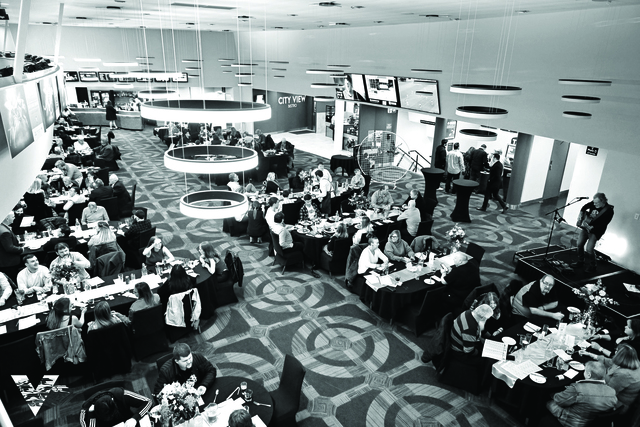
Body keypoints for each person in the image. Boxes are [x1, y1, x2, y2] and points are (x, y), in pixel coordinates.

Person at [545, 361, 618, 427]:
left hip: (572, 422)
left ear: (589, 375)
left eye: (585, 371)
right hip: (591, 422)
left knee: (546, 401)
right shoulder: (612, 392)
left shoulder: (577, 389)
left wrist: (553, 394)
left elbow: (559, 400)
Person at [581, 343, 640, 413]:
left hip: (616, 404)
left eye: (616, 351)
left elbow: (606, 392)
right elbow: (610, 362)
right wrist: (589, 354)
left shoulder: (623, 374)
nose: (615, 352)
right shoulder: (630, 362)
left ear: (620, 356)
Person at [571, 193, 614, 273]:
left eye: (596, 203)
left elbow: (604, 224)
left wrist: (592, 227)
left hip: (596, 231)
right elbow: (584, 207)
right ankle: (580, 261)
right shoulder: (593, 203)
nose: (594, 204)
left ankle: (593, 265)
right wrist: (580, 216)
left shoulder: (608, 210)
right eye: (594, 202)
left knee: (589, 249)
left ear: (602, 201)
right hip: (586, 228)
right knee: (579, 244)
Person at [80, 387, 152, 427]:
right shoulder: (86, 409)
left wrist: (134, 418)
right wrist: (91, 415)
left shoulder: (119, 394)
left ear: (113, 400)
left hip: (128, 423)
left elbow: (148, 401)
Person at [0, 212, 25, 280]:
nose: (14, 218)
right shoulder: (5, 232)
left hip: (4, 261)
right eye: (13, 217)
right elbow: (9, 248)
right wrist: (21, 249)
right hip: (9, 262)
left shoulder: (2, 227)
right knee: (13, 279)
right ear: (7, 218)